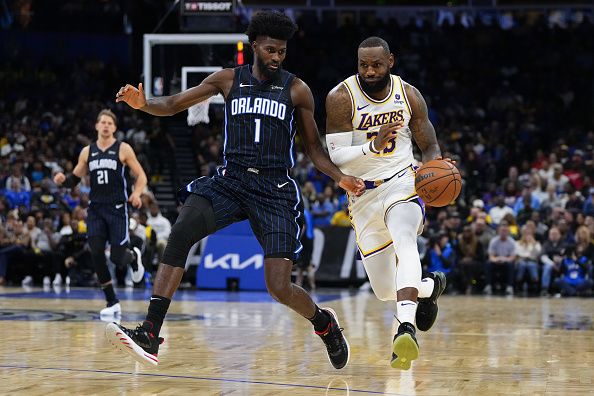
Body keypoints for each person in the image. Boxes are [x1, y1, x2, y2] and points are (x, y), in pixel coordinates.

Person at [106, 11, 364, 369]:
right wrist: (143, 103)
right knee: (180, 233)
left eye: (282, 52)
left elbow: (314, 149)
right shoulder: (227, 79)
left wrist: (340, 178)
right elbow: (174, 104)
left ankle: (324, 323)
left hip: (274, 189)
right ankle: (150, 331)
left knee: (278, 287)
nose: (276, 57)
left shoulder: (297, 89)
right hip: (230, 181)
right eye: (271, 49)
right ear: (255, 45)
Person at [324, 36, 446, 370]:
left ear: (390, 61)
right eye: (363, 64)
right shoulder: (340, 98)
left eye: (376, 64)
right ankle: (429, 287)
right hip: (362, 195)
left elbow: (430, 145)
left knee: (406, 241)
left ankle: (405, 328)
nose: (370, 70)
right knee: (381, 290)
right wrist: (372, 147)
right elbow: (337, 158)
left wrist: (433, 172)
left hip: (402, 182)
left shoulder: (408, 95)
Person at [54, 109, 146, 316]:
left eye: (110, 123)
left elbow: (141, 176)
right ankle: (112, 301)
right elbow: (74, 180)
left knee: (117, 257)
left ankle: (133, 257)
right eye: (102, 122)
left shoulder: (123, 149)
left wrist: (137, 193)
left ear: (114, 128)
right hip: (96, 208)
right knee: (95, 250)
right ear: (96, 126)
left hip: (117, 208)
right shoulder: (87, 152)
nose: (105, 126)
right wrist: (63, 181)